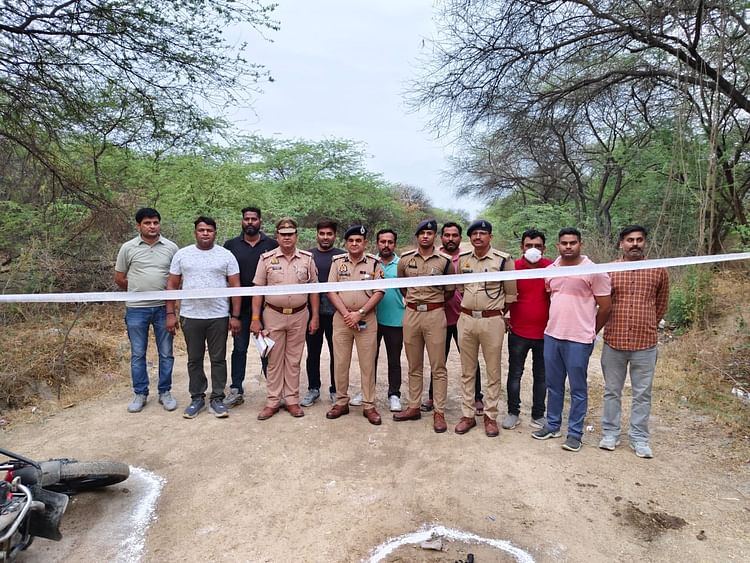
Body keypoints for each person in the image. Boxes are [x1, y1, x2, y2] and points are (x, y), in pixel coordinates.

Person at [532, 227, 611, 452]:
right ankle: (552, 425)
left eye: (573, 243)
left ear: (580, 244)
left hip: (579, 339)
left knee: (577, 388)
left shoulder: (594, 271)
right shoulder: (550, 270)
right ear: (558, 245)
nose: (568, 247)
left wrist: (590, 331)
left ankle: (575, 434)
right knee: (553, 385)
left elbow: (606, 307)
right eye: (564, 243)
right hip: (552, 335)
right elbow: (552, 297)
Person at [599, 225, 669, 459]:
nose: (635, 244)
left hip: (645, 343)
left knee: (642, 394)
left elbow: (661, 304)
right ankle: (610, 433)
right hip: (614, 341)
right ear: (621, 244)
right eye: (630, 240)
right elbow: (603, 303)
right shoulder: (609, 270)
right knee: (612, 391)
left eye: (639, 239)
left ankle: (639, 438)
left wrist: (647, 323)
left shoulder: (658, 270)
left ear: (645, 242)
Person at [165, 217, 241, 420]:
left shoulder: (226, 255)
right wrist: (170, 313)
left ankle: (217, 398)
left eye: (209, 230)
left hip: (218, 316)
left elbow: (236, 287)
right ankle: (197, 398)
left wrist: (235, 316)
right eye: (201, 230)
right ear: (195, 233)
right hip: (190, 315)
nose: (205, 233)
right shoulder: (182, 254)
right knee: (194, 359)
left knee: (218, 359)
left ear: (215, 233)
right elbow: (172, 285)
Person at [252, 218, 320, 420]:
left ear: (296, 236)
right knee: (273, 360)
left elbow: (315, 290)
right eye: (283, 234)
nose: (287, 238)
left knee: (293, 360)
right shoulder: (266, 259)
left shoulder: (307, 259)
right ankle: (272, 401)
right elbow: (257, 291)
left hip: (299, 315)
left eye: (290, 234)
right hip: (273, 314)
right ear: (277, 236)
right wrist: (255, 318)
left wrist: (315, 316)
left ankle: (291, 400)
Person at [454, 220, 516, 437]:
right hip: (466, 319)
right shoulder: (463, 259)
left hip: (492, 321)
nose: (478, 237)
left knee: (493, 370)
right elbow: (461, 288)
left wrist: (494, 312)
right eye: (474, 234)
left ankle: (490, 416)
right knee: (467, 370)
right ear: (470, 238)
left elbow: (510, 294)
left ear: (490, 236)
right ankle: (467, 415)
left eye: (482, 233)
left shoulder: (503, 260)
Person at [393, 219, 455, 433]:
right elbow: (402, 287)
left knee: (438, 366)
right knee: (414, 364)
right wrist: (415, 302)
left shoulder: (445, 262)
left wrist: (432, 303)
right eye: (422, 233)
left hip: (435, 314)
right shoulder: (405, 259)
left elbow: (449, 291)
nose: (426, 236)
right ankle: (413, 406)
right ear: (417, 236)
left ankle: (439, 411)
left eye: (430, 233)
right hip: (411, 314)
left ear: (435, 236)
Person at [115, 207, 179, 413]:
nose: (152, 226)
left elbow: (176, 278)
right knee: (138, 353)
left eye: (155, 223)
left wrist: (171, 310)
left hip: (163, 308)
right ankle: (140, 393)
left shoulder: (171, 247)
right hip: (136, 309)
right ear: (138, 226)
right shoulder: (128, 248)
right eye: (147, 223)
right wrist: (138, 291)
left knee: (166, 353)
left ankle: (165, 392)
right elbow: (120, 278)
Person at [422, 222, 485, 415]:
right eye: (447, 235)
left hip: (463, 318)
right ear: (441, 237)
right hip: (438, 318)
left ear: (460, 238)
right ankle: (433, 396)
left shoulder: (467, 259)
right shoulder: (435, 258)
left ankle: (477, 398)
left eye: (454, 235)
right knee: (437, 360)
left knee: (470, 360)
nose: (450, 239)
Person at [325, 225, 385, 425]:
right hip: (342, 319)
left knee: (367, 363)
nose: (354, 243)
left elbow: (379, 291)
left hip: (366, 319)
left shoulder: (375, 263)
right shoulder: (337, 262)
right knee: (340, 362)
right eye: (350, 240)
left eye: (358, 240)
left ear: (365, 243)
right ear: (345, 243)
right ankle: (341, 402)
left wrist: (359, 314)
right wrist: (346, 314)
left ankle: (369, 405)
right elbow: (331, 290)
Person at [223, 206, 279, 408]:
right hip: (239, 309)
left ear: (260, 221)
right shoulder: (230, 245)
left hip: (268, 308)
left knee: (267, 349)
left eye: (253, 219)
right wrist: (233, 315)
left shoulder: (272, 244)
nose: (250, 222)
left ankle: (274, 392)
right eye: (246, 219)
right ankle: (236, 389)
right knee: (239, 349)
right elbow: (226, 278)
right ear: (242, 221)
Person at [503, 229, 553, 430]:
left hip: (546, 334)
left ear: (544, 248)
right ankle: (513, 413)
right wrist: (503, 316)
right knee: (515, 374)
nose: (533, 249)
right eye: (529, 246)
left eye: (538, 246)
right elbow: (503, 295)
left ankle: (538, 415)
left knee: (542, 376)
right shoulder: (513, 268)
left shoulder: (552, 267)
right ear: (521, 247)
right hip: (518, 332)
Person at [301, 218, 345, 407]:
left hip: (337, 314)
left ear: (335, 236)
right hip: (313, 314)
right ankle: (313, 388)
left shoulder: (342, 256)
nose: (325, 237)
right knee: (313, 352)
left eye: (329, 234)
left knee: (338, 353)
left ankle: (336, 390)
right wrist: (313, 315)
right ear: (317, 235)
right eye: (322, 233)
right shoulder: (308, 256)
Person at [375, 229, 405, 412]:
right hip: (372, 319)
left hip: (396, 320)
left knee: (394, 360)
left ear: (395, 244)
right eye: (382, 241)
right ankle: (367, 391)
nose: (386, 245)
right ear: (377, 243)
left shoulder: (402, 264)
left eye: (390, 242)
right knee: (369, 358)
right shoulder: (371, 262)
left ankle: (394, 394)